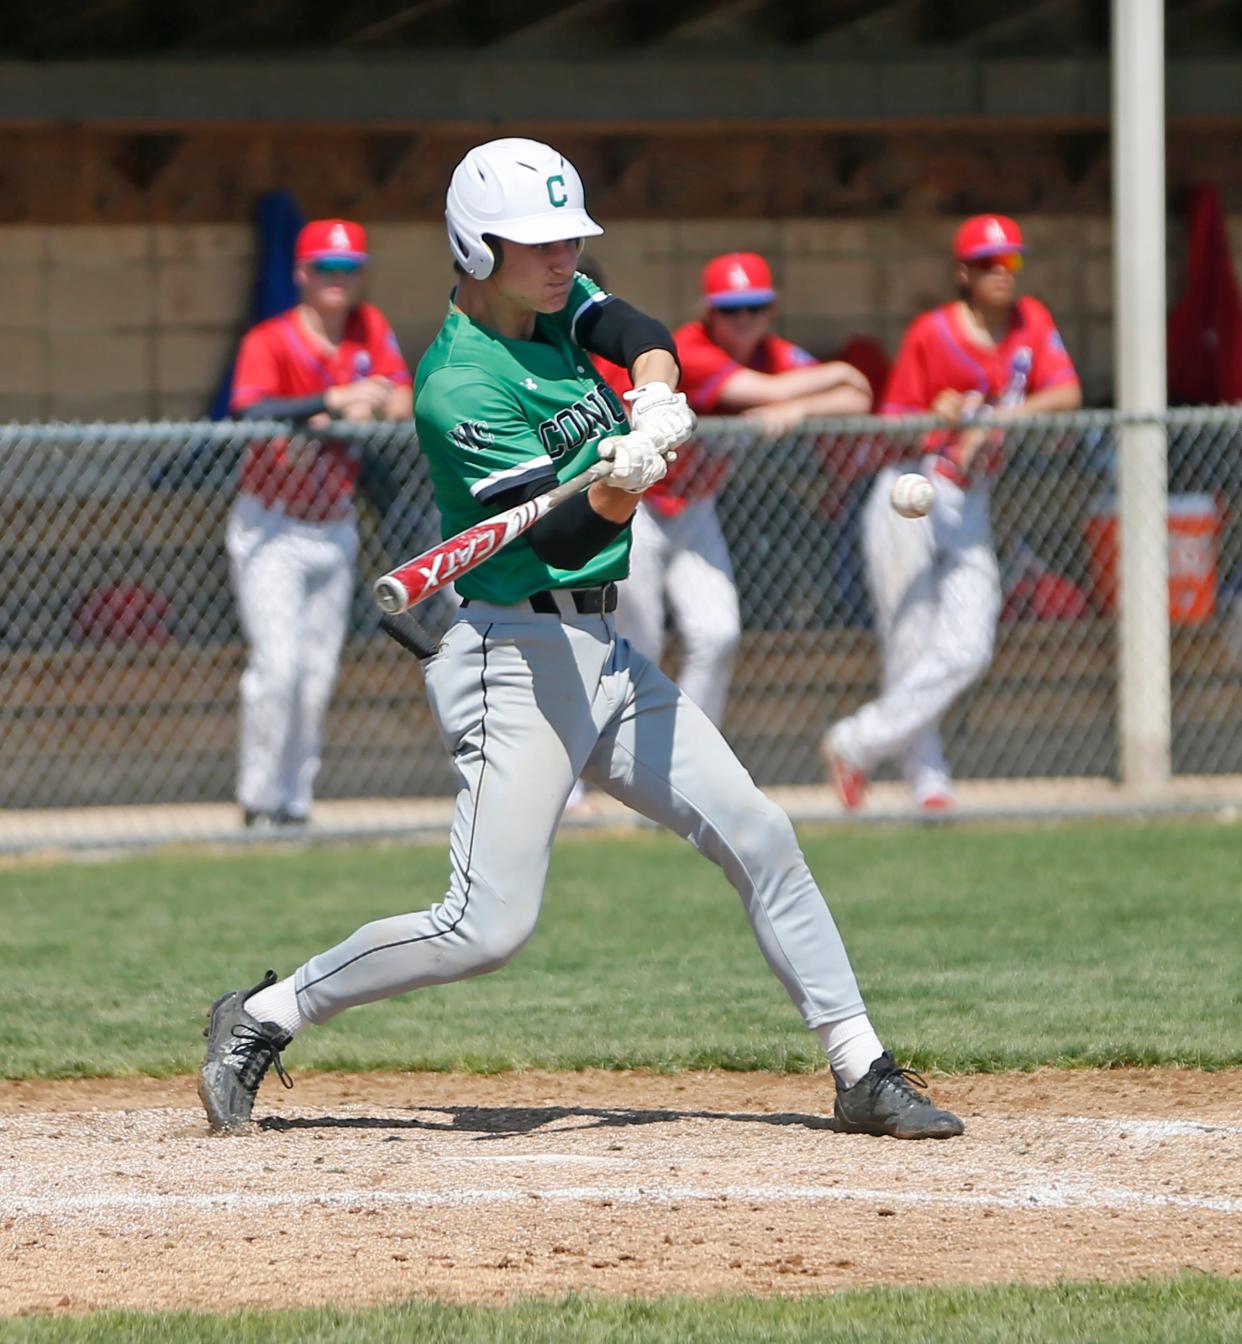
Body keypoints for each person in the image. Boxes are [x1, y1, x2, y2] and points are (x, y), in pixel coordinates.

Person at [199, 138, 963, 1143]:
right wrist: (624, 479)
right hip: (513, 658)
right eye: (537, 243)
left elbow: (639, 328)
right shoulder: (456, 385)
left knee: (761, 832)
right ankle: (263, 1015)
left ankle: (860, 1066)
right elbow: (562, 531)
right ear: (478, 248)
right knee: (486, 928)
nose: (562, 258)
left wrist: (650, 392)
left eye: (568, 239)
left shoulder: (558, 304)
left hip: (605, 653)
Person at [822, 214, 1082, 813]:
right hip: (910, 488)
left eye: (1010, 261)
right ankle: (928, 778)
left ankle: (857, 743)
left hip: (970, 497)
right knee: (909, 639)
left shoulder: (1031, 323)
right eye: (989, 264)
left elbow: (1065, 393)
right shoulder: (931, 332)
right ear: (963, 272)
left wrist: (991, 419)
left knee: (969, 643)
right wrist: (935, 415)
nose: (1002, 273)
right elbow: (891, 425)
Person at [612, 252, 872, 727]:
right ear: (709, 313)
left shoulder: (774, 355)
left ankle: (685, 757)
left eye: (755, 307)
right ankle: (599, 764)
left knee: (718, 633)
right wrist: (834, 374)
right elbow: (768, 392)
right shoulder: (687, 347)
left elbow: (860, 397)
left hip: (694, 505)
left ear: (771, 310)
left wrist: (801, 410)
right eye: (731, 310)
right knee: (638, 643)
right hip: (636, 503)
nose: (745, 320)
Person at [227, 219, 413, 829]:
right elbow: (250, 408)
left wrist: (370, 399)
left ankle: (294, 802)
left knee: (316, 677)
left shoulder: (369, 328)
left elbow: (401, 396)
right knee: (276, 669)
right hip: (272, 526)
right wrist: (332, 403)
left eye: (349, 268)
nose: (339, 280)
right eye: (327, 270)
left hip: (334, 523)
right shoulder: (272, 338)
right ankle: (258, 802)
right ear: (302, 274)